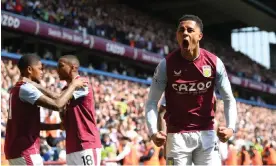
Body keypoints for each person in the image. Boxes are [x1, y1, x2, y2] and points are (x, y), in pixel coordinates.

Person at [145, 14, 237, 165]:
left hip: (206, 134)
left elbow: (228, 99)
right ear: (177, 35)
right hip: (176, 137)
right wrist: (153, 132)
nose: (185, 33)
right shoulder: (165, 65)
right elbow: (151, 102)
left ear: (200, 35)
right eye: (181, 30)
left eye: (189, 30)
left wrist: (231, 128)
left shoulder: (214, 63)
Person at [4, 55, 86, 165]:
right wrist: (73, 85)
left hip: (16, 149)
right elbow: (58, 104)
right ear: (29, 69)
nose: (43, 72)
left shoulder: (17, 89)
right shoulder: (26, 89)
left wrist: (58, 126)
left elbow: (34, 124)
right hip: (25, 150)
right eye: (40, 68)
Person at [31, 55, 102, 165]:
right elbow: (62, 109)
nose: (57, 70)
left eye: (61, 66)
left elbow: (58, 100)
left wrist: (37, 87)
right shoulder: (66, 90)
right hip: (71, 146)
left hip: (86, 143)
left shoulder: (82, 83)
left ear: (73, 67)